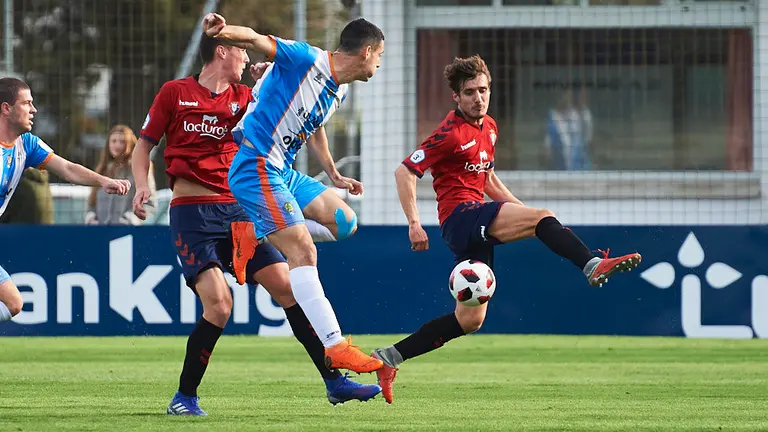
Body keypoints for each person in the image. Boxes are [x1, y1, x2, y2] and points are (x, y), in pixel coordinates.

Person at [131, 29, 379, 417]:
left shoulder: (246, 97)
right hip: (192, 213)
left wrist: (330, 171)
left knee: (289, 289)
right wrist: (140, 185)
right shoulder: (174, 92)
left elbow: (293, 110)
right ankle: (185, 396)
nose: (246, 60)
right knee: (219, 305)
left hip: (239, 209)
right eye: (241, 54)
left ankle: (334, 381)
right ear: (221, 51)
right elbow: (144, 142)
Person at [370, 55, 642, 404]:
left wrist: (531, 217)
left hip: (475, 220)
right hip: (460, 217)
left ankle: (389, 357)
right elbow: (404, 172)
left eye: (483, 90)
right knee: (542, 216)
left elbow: (489, 180)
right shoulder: (448, 134)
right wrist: (413, 223)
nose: (478, 98)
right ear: (456, 97)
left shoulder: (491, 128)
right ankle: (591, 264)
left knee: (470, 320)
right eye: (469, 92)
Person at [204, 14, 385, 374]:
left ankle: (252, 233)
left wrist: (333, 172)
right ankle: (335, 346)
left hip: (282, 171)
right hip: (255, 164)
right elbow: (255, 39)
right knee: (303, 248)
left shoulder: (341, 89)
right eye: (380, 54)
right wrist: (222, 31)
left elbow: (313, 126)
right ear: (366, 52)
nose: (380, 61)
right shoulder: (307, 58)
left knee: (345, 221)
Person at [0, 77, 130, 322]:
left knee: (13, 303)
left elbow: (68, 168)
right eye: (26, 103)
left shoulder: (26, 145)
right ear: (6, 108)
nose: (33, 110)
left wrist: (104, 181)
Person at [86, 124, 157, 225]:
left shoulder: (139, 168)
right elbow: (91, 202)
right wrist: (91, 218)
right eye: (114, 141)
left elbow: (150, 203)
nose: (117, 145)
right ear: (108, 144)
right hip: (101, 231)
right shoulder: (102, 169)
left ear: (130, 144)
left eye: (122, 141)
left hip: (128, 232)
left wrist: (131, 219)